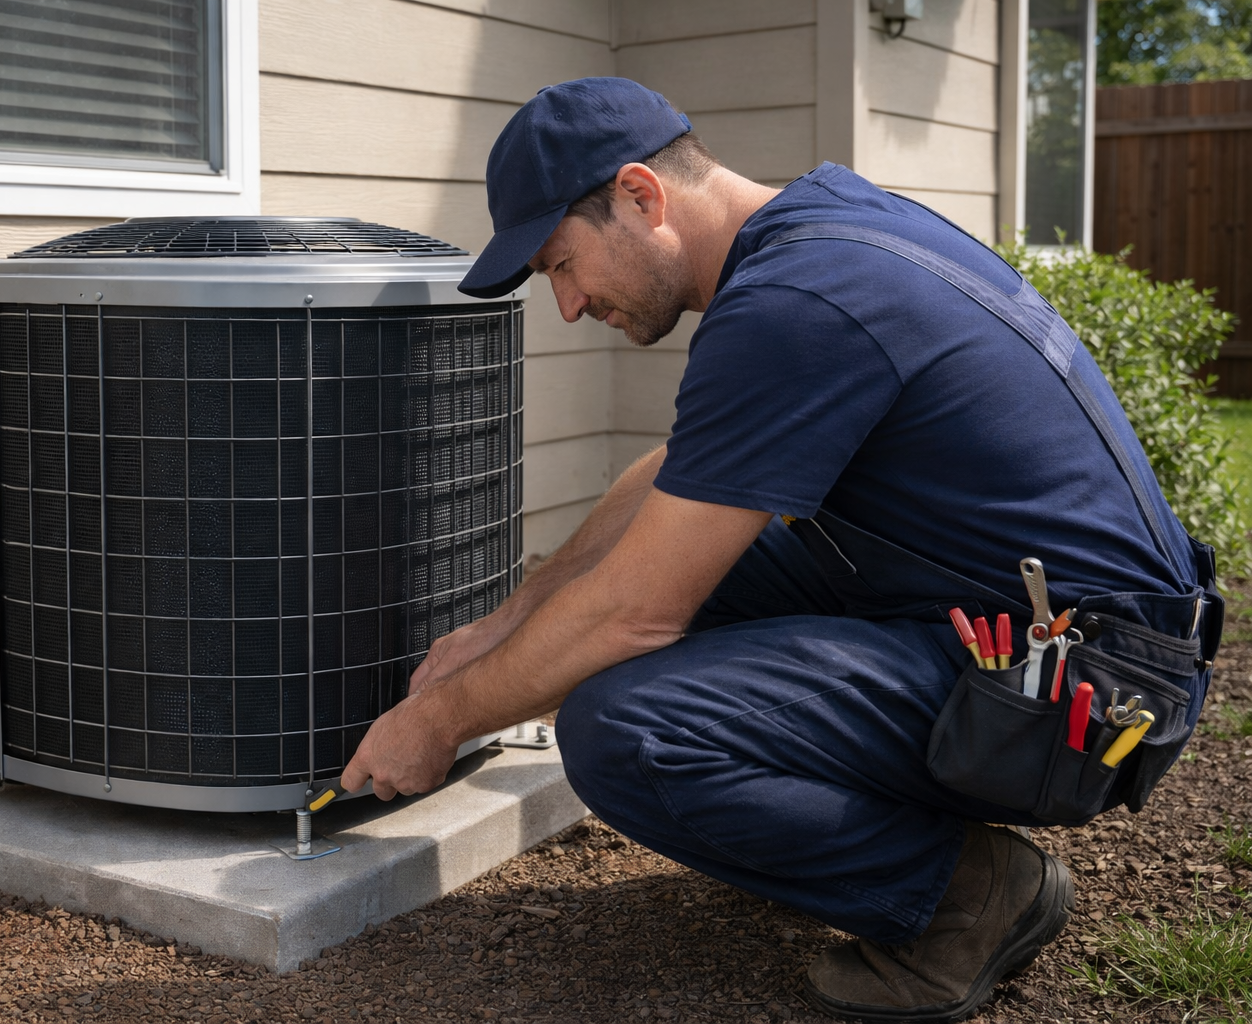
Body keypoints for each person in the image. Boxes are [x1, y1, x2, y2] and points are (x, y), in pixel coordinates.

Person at [340, 77, 1219, 1022]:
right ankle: (854, 815)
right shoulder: (820, 228)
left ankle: (967, 897)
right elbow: (684, 466)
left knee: (625, 727)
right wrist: (507, 624)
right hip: (987, 596)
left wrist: (441, 720)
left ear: (642, 196)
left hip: (1084, 682)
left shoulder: (796, 301)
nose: (566, 303)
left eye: (562, 264)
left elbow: (636, 613)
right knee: (630, 590)